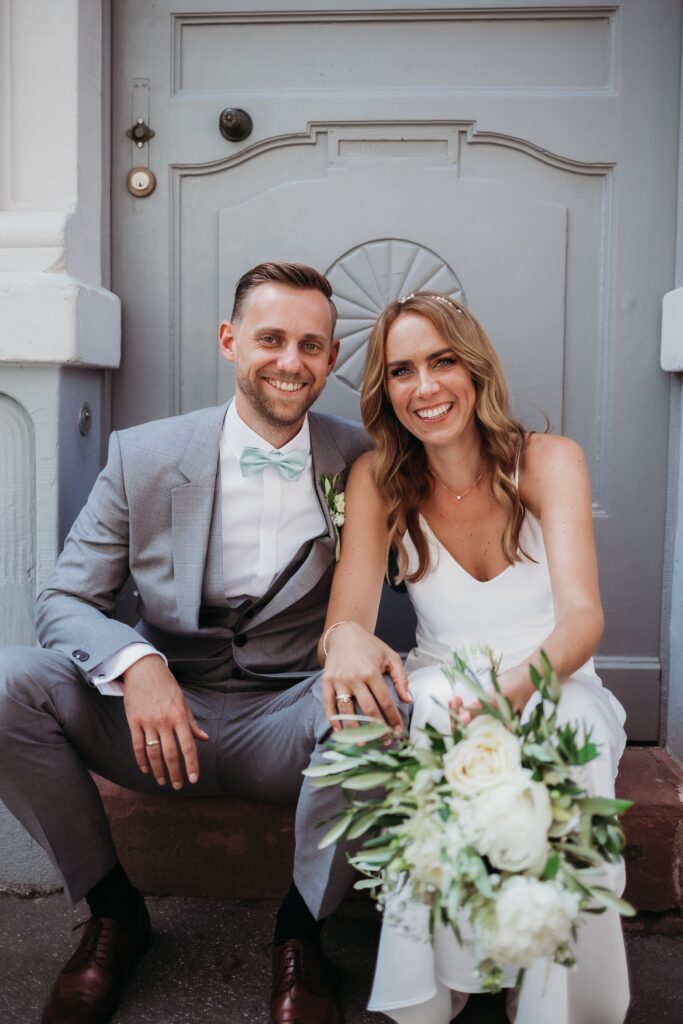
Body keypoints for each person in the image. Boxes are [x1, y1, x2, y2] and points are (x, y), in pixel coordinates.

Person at [0, 262, 410, 1024]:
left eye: (312, 345)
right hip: (158, 721)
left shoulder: (362, 461)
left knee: (377, 709)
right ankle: (115, 915)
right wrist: (138, 661)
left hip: (288, 717)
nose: (291, 362)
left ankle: (301, 932)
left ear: (330, 357)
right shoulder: (143, 455)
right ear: (229, 341)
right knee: (6, 683)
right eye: (272, 339)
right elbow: (63, 598)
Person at [319, 291, 630, 1024]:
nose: (424, 387)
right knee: (430, 712)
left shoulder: (548, 460)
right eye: (401, 371)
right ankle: (449, 975)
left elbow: (583, 617)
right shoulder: (376, 479)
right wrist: (345, 641)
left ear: (475, 367)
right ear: (384, 390)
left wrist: (514, 692)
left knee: (573, 727)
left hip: (553, 671)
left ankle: (552, 983)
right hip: (440, 675)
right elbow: (348, 618)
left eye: (441, 361)